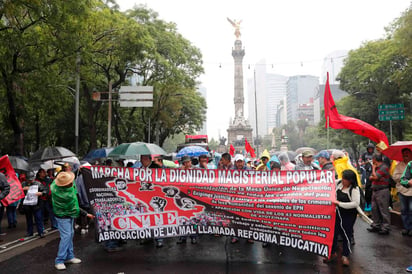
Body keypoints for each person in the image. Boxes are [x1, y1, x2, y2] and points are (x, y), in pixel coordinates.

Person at [51, 171, 94, 270]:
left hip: (64, 214)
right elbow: (76, 208)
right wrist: (86, 214)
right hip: (63, 216)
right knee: (66, 236)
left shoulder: (54, 185)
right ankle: (59, 260)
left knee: (70, 234)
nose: (72, 182)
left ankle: (69, 256)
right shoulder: (67, 195)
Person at [324, 169, 360, 267]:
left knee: (346, 234)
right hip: (337, 213)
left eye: (345, 179)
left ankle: (345, 255)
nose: (343, 180)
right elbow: (327, 181)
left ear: (351, 180)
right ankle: (332, 253)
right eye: (343, 178)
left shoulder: (354, 189)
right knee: (334, 233)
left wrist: (340, 203)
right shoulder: (339, 183)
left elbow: (355, 203)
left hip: (349, 215)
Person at [367, 153, 391, 235]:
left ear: (375, 159)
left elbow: (375, 177)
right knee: (374, 209)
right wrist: (373, 175)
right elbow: (371, 177)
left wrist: (373, 169)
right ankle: (376, 225)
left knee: (383, 209)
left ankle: (386, 227)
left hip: (382, 190)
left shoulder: (384, 167)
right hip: (375, 189)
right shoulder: (378, 167)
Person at [22, 171, 47, 238]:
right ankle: (30, 232)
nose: (30, 181)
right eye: (29, 179)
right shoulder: (24, 184)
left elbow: (45, 190)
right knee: (29, 219)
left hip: (37, 204)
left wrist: (41, 193)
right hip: (27, 205)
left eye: (31, 179)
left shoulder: (38, 184)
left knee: (38, 218)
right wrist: (22, 189)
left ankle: (40, 232)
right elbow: (18, 192)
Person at [398, 149, 412, 236]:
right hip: (403, 192)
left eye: (407, 153)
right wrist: (408, 182)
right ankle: (408, 228)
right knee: (405, 210)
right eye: (404, 154)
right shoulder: (410, 165)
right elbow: (402, 180)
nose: (405, 155)